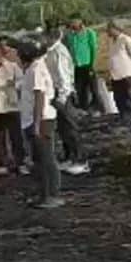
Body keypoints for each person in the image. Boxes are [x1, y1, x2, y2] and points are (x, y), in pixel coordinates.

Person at [17, 42, 63, 209]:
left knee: (45, 160)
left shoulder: (36, 69)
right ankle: (44, 194)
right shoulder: (34, 68)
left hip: (40, 120)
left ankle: (50, 195)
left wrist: (36, 125)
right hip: (36, 120)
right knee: (40, 160)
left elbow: (39, 96)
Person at [42, 29, 89, 175]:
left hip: (62, 93)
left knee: (70, 127)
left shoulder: (59, 52)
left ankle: (81, 160)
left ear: (52, 37)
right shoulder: (50, 52)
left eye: (44, 37)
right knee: (62, 128)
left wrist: (62, 97)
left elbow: (64, 76)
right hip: (55, 92)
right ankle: (69, 157)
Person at [0, 43, 27, 176]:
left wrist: (14, 84)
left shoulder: (12, 67)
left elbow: (22, 81)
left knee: (16, 136)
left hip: (11, 105)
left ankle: (20, 162)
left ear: (2, 54)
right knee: (0, 136)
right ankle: (4, 163)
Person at [106, 20, 131, 132]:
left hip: (127, 74)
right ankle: (126, 121)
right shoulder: (113, 42)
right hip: (116, 75)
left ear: (115, 28)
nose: (107, 31)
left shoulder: (125, 40)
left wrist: (130, 67)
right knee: (120, 99)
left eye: (109, 28)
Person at [65, 17, 99, 113]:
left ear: (80, 22)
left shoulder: (89, 33)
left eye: (74, 22)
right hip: (76, 66)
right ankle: (83, 109)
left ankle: (98, 108)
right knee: (80, 90)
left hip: (87, 64)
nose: (72, 24)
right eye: (71, 22)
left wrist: (93, 64)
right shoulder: (70, 36)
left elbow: (93, 49)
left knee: (94, 89)